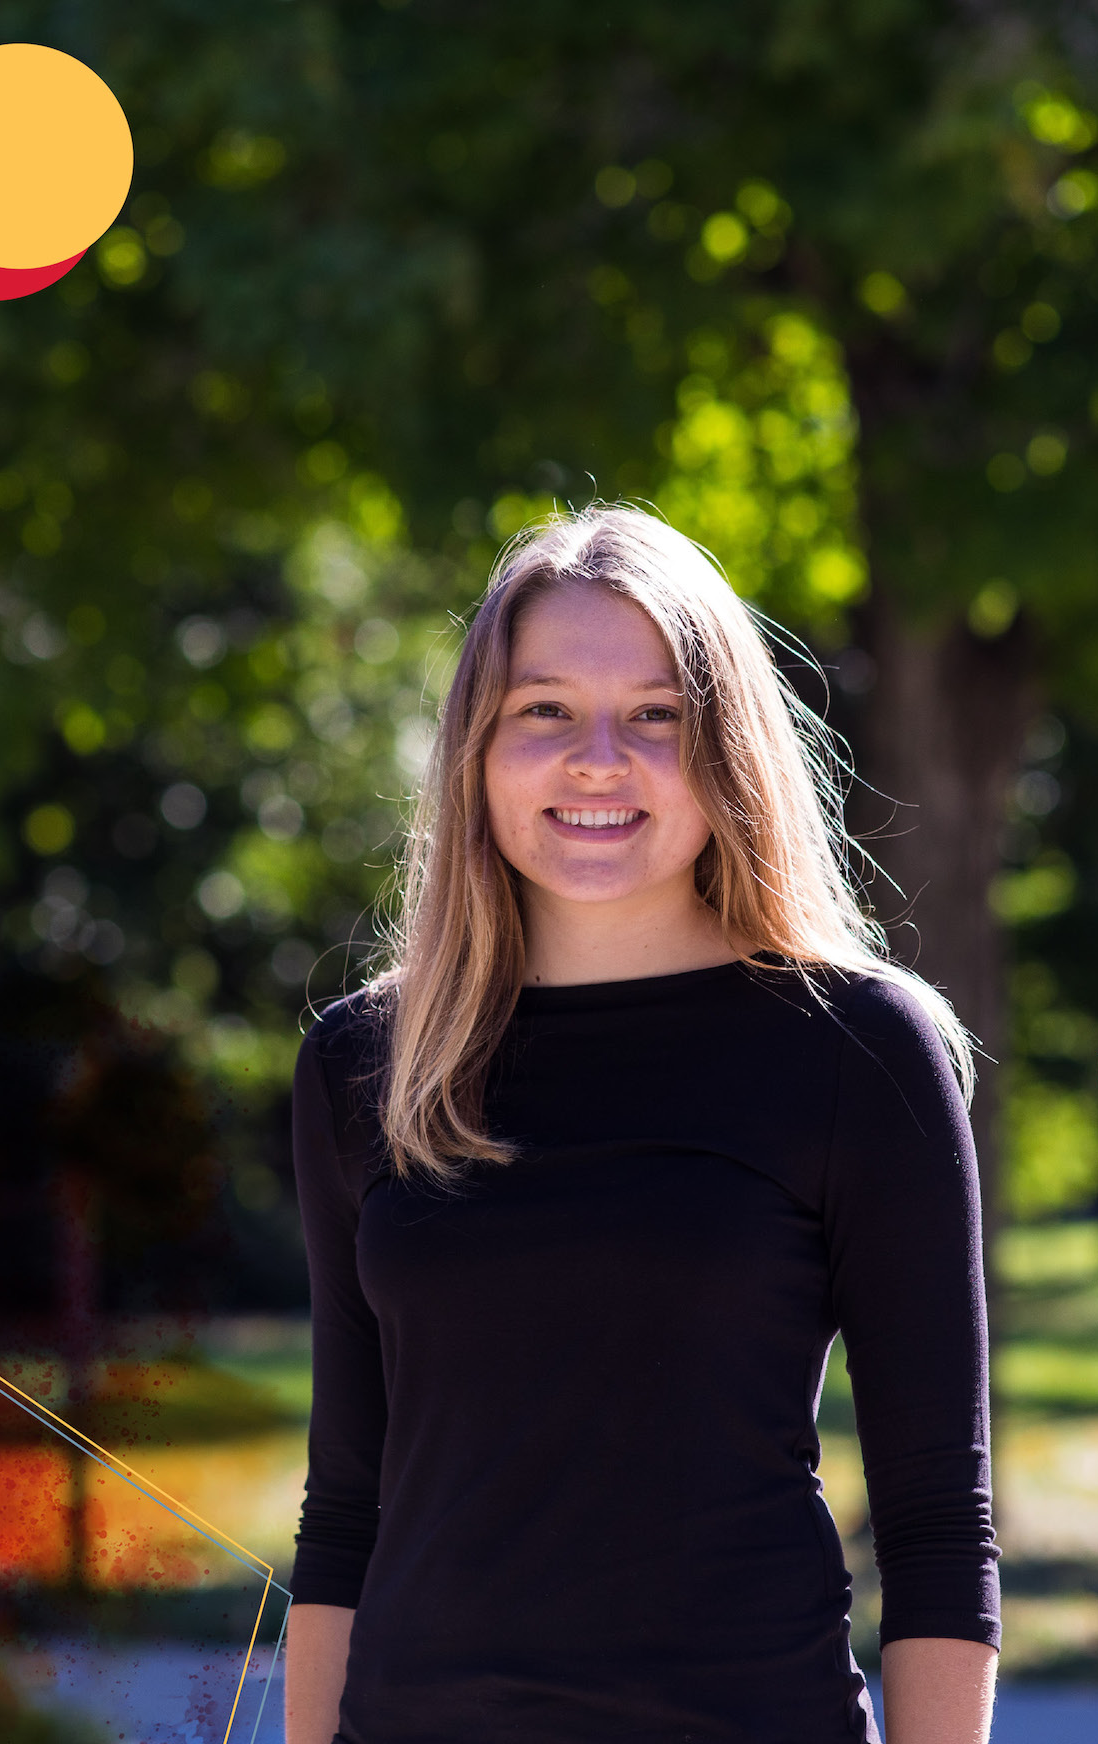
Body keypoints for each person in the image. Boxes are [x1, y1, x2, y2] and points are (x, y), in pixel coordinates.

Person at [281, 505, 1001, 1743]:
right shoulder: (367, 1061)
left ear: (726, 748)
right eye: (543, 710)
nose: (597, 757)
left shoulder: (858, 1047)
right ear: (475, 753)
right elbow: (348, 1505)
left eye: (656, 715)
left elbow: (935, 1522)